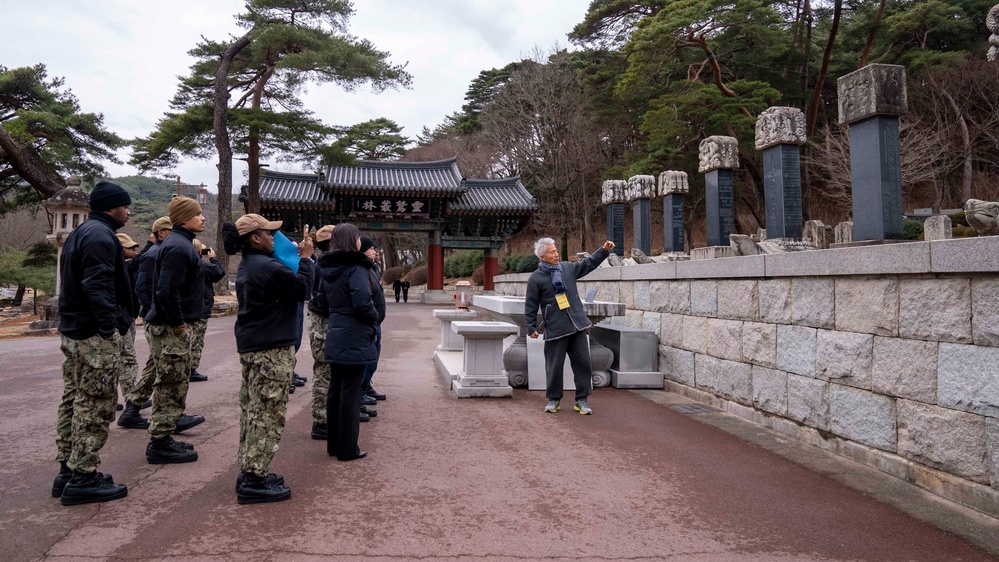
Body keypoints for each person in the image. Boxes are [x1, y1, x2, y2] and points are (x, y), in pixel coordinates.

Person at [222, 213, 314, 504]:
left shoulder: (252, 264)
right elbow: (303, 289)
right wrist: (308, 260)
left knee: (253, 411)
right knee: (267, 414)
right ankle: (255, 479)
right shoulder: (268, 267)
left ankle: (250, 469)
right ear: (255, 238)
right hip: (270, 347)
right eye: (269, 234)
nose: (274, 238)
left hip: (254, 343)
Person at [53, 180, 132, 505]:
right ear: (112, 207)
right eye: (125, 206)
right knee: (95, 402)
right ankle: (84, 475)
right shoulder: (100, 236)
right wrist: (108, 327)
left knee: (74, 398)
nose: (128, 211)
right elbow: (98, 284)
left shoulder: (80, 234)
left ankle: (68, 469)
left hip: (73, 329)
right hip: (92, 334)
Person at [143, 196, 208, 464]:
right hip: (172, 327)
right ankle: (159, 442)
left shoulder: (180, 244)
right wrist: (179, 324)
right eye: (198, 214)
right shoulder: (179, 247)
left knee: (175, 381)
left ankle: (165, 435)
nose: (203, 218)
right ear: (183, 218)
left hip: (174, 324)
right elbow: (167, 291)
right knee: (170, 383)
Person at [525, 238, 615, 415]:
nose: (556, 254)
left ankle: (581, 400)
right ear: (543, 256)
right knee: (554, 366)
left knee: (583, 364)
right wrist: (531, 326)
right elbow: (531, 304)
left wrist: (603, 250)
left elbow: (588, 264)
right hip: (555, 327)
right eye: (551, 252)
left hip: (577, 325)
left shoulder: (567, 268)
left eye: (556, 250)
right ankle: (554, 400)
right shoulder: (536, 278)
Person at [318, 223, 378, 461]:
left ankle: (334, 444)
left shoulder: (327, 268)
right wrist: (374, 319)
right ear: (353, 241)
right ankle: (348, 448)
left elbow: (321, 302)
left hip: (335, 331)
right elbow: (363, 301)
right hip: (354, 334)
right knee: (351, 393)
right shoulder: (357, 268)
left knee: (336, 390)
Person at [118, 216, 172, 429]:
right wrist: (153, 312)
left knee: (154, 365)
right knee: (160, 366)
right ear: (161, 233)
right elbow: (142, 288)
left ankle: (133, 405)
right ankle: (162, 417)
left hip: (136, 316)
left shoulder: (156, 253)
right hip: (151, 319)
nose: (133, 250)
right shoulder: (152, 255)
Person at [307, 225, 335, 440]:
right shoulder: (326, 265)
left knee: (326, 372)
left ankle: (327, 417)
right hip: (323, 324)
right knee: (324, 373)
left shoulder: (323, 263)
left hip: (323, 322)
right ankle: (321, 421)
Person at [189, 239, 224, 382]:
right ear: (198, 251)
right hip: (201, 307)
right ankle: (191, 369)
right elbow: (219, 272)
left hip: (188, 307)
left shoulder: (184, 263)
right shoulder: (202, 265)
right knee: (196, 340)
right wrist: (213, 259)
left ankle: (186, 368)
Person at [114, 233, 141, 412]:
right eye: (130, 247)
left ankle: (118, 398)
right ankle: (131, 398)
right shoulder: (117, 268)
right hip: (120, 320)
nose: (134, 250)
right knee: (127, 359)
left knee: (122, 359)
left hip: (127, 317)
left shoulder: (127, 267)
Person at [359, 235, 387, 409]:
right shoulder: (361, 269)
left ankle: (366, 385)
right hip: (369, 321)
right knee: (367, 357)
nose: (375, 251)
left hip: (376, 321)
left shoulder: (373, 268)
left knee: (374, 356)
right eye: (371, 248)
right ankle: (360, 390)